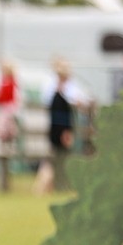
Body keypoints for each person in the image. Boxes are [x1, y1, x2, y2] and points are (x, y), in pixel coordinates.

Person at [38, 59, 91, 193]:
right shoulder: (56, 94)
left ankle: (61, 185)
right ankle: (59, 185)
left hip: (61, 130)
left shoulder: (65, 92)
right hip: (59, 131)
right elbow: (60, 115)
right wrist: (66, 132)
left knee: (62, 159)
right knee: (59, 160)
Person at [0, 60, 20, 156]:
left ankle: (5, 143)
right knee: (3, 124)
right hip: (6, 108)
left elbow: (4, 96)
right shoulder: (5, 82)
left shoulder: (10, 82)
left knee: (2, 124)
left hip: (7, 109)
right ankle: (3, 143)